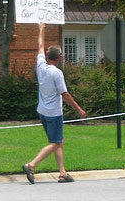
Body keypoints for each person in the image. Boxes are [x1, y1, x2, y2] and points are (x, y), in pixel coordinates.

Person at [22, 23, 87, 184]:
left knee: (59, 141)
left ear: (47, 55)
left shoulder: (40, 65)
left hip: (42, 111)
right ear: (58, 58)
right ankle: (31, 165)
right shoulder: (57, 73)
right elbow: (65, 94)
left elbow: (40, 46)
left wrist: (41, 29)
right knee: (56, 142)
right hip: (54, 113)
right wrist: (79, 110)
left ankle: (62, 173)